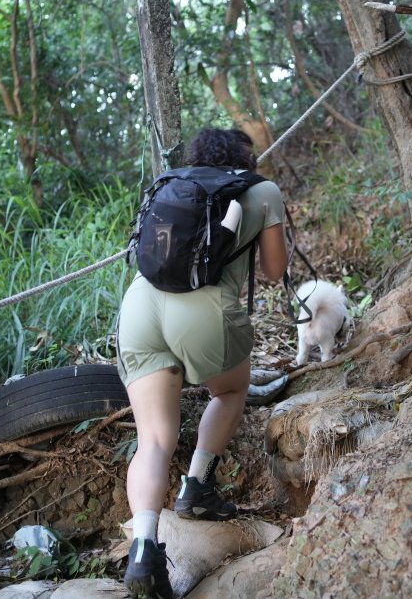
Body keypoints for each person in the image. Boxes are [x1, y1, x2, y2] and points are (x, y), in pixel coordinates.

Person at [116, 128, 289, 599]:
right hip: (203, 310)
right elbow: (275, 271)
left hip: (139, 307)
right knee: (230, 390)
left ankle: (145, 552)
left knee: (151, 438)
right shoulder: (261, 189)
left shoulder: (173, 180)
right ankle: (197, 487)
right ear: (244, 156)